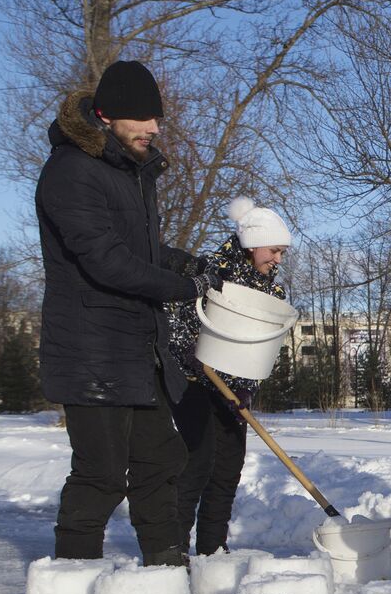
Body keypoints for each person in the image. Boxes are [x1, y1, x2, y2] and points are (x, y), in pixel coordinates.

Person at [37, 60, 222, 566]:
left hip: (136, 348)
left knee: (161, 459)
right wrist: (182, 286)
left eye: (156, 118)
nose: (155, 128)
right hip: (91, 348)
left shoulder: (128, 170)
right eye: (143, 118)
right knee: (101, 472)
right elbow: (105, 260)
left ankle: (164, 571)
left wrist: (180, 259)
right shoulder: (71, 170)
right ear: (107, 115)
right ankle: (68, 586)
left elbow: (135, 245)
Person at [167, 197, 290, 556]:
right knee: (198, 461)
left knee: (228, 468)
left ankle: (212, 552)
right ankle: (171, 552)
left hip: (232, 392)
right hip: (194, 382)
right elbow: (176, 315)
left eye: (282, 252)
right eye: (273, 250)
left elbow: (259, 349)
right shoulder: (211, 274)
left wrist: (247, 390)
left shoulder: (273, 292)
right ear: (252, 245)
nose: (278, 259)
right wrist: (188, 352)